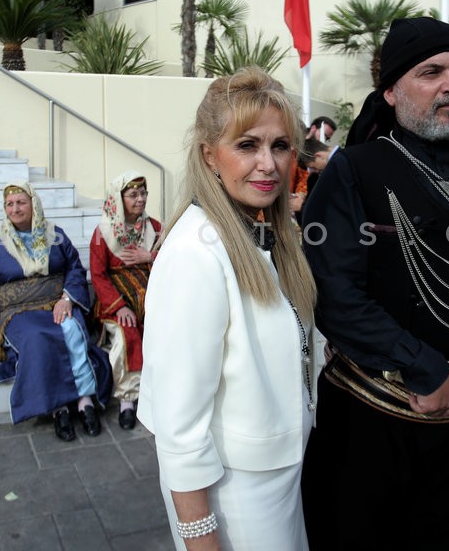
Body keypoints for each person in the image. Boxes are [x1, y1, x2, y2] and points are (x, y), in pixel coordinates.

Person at [300, 17, 449, 550]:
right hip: (375, 424)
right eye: (432, 72)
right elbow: (334, 292)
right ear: (392, 91)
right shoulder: (354, 169)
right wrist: (423, 365)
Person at [138, 66, 320, 550]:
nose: (269, 163)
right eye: (247, 145)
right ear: (209, 156)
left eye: (280, 146)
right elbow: (178, 424)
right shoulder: (196, 252)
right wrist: (200, 536)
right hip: (235, 495)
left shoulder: (259, 232)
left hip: (277, 481)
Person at [0, 182, 113, 442]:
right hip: (17, 311)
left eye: (21, 202)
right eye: (10, 204)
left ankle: (85, 400)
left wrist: (67, 299)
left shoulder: (55, 235)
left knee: (71, 329)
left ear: (33, 204)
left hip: (56, 302)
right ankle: (58, 407)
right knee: (38, 338)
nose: (15, 209)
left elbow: (75, 267)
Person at [90, 171, 161, 430]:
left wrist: (150, 257)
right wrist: (119, 306)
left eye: (143, 193)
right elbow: (98, 275)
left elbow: (174, 260)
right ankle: (128, 401)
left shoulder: (155, 228)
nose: (140, 199)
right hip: (119, 299)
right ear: (119, 199)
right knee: (126, 332)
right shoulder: (103, 233)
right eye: (133, 195)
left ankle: (162, 391)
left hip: (152, 292)